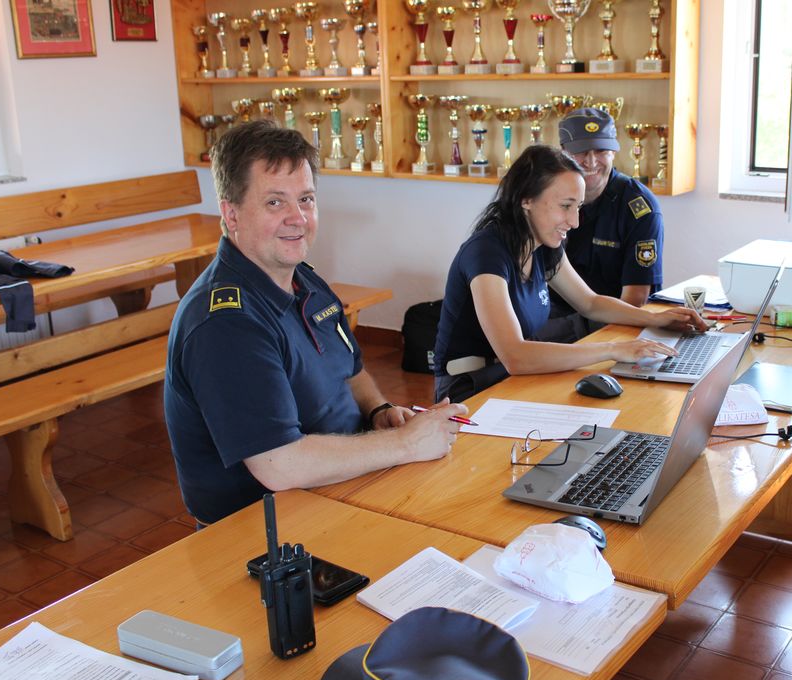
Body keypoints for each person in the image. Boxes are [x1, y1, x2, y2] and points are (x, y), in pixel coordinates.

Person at [164, 120, 466, 524]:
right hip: (265, 529)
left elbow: (351, 371)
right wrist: (405, 444)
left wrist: (379, 411)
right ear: (231, 214)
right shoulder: (225, 324)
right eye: (275, 202)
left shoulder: (302, 279)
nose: (298, 218)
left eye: (305, 199)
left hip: (340, 488)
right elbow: (280, 464)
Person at [432, 145, 706, 403]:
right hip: (469, 389)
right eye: (566, 206)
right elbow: (515, 356)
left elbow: (590, 303)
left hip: (511, 378)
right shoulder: (487, 253)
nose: (574, 222)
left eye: (578, 207)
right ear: (526, 199)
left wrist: (654, 319)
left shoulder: (543, 244)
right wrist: (612, 349)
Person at [543, 107, 666, 342]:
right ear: (563, 152)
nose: (591, 161)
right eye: (581, 151)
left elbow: (636, 299)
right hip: (553, 315)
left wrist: (602, 347)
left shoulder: (639, 207)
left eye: (601, 151)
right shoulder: (545, 196)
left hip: (613, 323)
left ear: (614, 152)